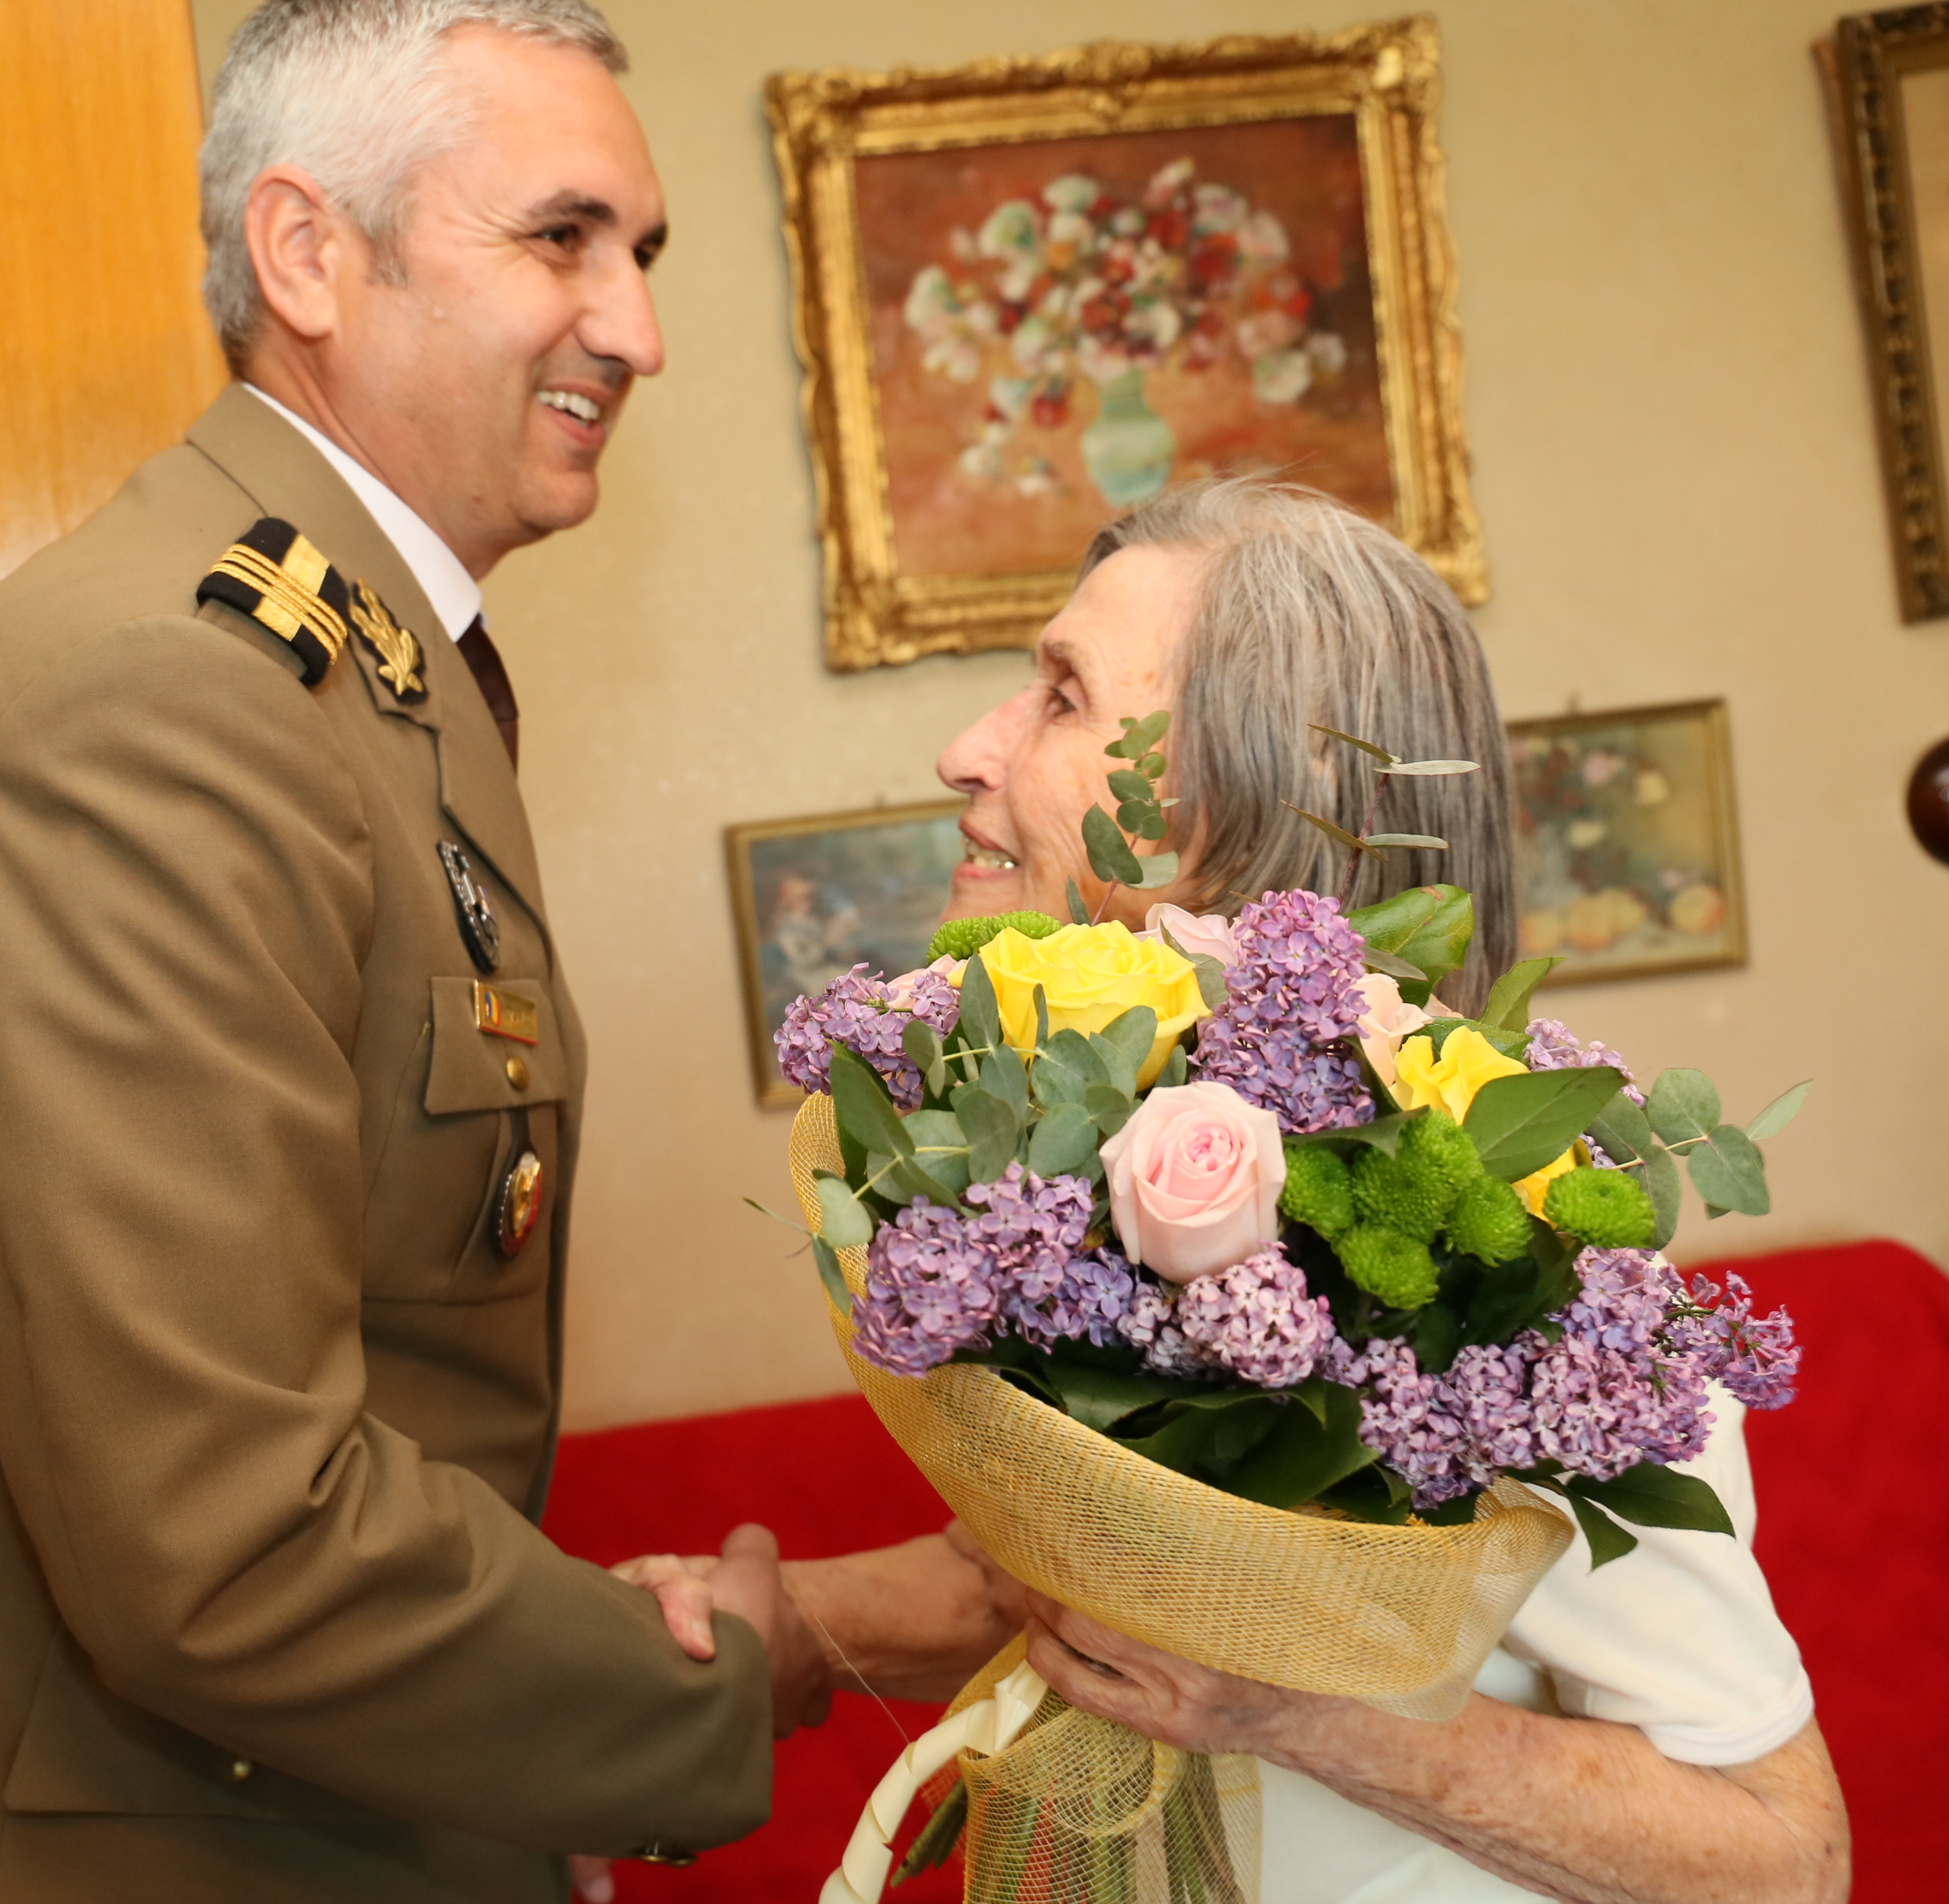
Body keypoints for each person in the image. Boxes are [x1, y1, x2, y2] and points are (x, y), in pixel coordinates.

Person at [0, 5, 827, 1902]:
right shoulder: (167, 698)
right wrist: (766, 1670)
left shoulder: (352, 669)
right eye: (562, 239)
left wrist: (509, 1762)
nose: (635, 327)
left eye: (642, 255)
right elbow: (227, 1534)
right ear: (307, 254)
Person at [643, 478, 1850, 1904]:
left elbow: (1785, 1856)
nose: (965, 750)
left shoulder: (1528, 1268)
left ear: (1237, 805)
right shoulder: (1077, 1159)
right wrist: (783, 1621)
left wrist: (1299, 1712)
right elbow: (1093, 1569)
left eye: (1058, 696)